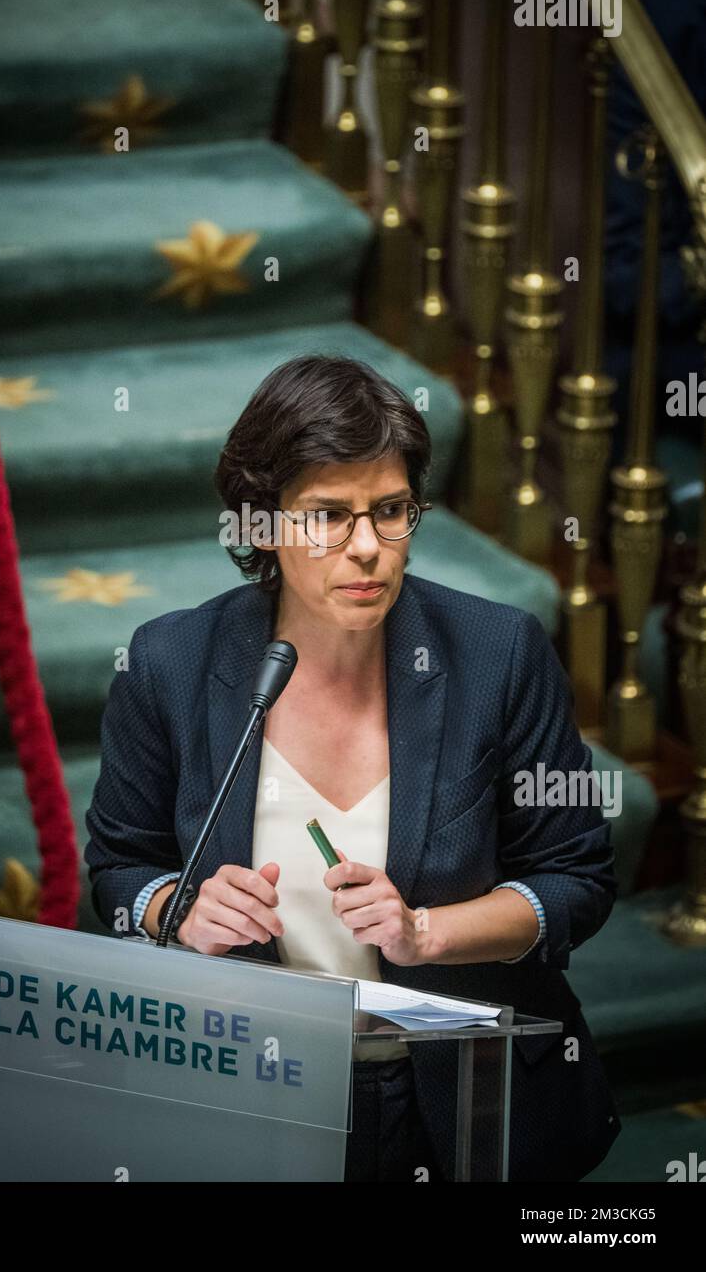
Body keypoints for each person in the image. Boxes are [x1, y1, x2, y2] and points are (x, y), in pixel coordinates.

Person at [85, 354, 622, 1182]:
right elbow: (121, 868)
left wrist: (425, 932)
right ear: (263, 523)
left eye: (391, 511)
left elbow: (577, 878)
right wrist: (177, 910)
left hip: (457, 1100)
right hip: (253, 1093)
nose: (367, 548)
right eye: (327, 516)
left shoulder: (498, 654)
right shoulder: (171, 661)